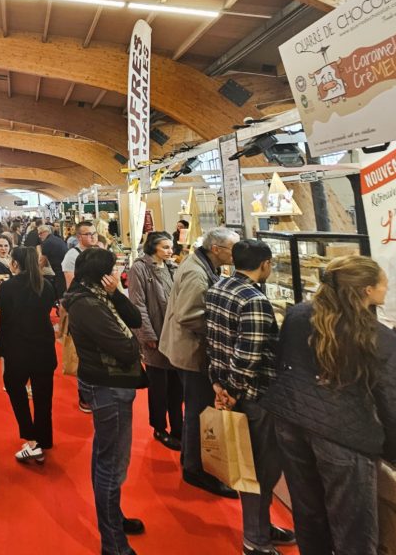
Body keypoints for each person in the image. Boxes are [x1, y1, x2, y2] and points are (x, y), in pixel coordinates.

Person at [262, 256, 396, 555]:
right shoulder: (377, 337)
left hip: (290, 422)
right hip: (343, 436)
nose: (387, 289)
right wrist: (392, 449)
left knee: (308, 512)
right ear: (367, 290)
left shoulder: (298, 315)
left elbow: (283, 362)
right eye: (383, 284)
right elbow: (393, 401)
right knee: (353, 528)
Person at [206, 239, 295, 555]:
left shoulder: (218, 287)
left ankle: (261, 528)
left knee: (250, 465)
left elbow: (214, 341)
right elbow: (247, 357)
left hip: (229, 388)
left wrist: (219, 384)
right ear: (266, 264)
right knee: (260, 469)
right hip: (255, 395)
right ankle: (255, 540)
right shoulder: (254, 300)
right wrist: (232, 391)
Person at [63, 248, 147, 555]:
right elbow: (126, 348)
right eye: (112, 269)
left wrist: (117, 294)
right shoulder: (87, 303)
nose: (116, 273)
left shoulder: (99, 296)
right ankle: (113, 544)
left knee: (107, 457)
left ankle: (114, 519)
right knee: (111, 464)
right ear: (101, 274)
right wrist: (135, 345)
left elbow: (134, 319)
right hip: (108, 385)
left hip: (111, 383)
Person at [159, 226, 240, 498]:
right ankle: (195, 469)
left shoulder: (201, 264)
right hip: (191, 351)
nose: (235, 254)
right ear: (216, 249)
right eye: (232, 249)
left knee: (195, 408)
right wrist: (221, 328)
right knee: (198, 409)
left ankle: (191, 459)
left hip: (187, 348)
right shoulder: (196, 272)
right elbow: (189, 315)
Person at [0, 245, 57, 463]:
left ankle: (31, 438)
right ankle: (43, 439)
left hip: (17, 348)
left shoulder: (9, 287)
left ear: (15, 263)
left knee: (15, 388)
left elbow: (3, 317)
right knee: (43, 397)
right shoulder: (46, 285)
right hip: (43, 347)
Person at [128, 231, 182, 451]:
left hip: (174, 335)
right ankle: (159, 427)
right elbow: (138, 304)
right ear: (153, 247)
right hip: (156, 335)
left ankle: (179, 426)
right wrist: (147, 334)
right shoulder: (139, 268)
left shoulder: (171, 267)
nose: (170, 251)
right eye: (165, 247)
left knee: (176, 386)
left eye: (171, 247)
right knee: (159, 386)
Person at [63, 220, 103, 413]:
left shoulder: (99, 252)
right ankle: (85, 397)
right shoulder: (72, 256)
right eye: (88, 234)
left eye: (94, 233)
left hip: (101, 309)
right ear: (79, 237)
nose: (93, 237)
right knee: (85, 356)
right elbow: (72, 286)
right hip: (82, 310)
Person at [37, 224, 68, 298]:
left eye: (40, 234)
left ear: (45, 232)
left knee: (61, 295)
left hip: (60, 271)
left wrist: (36, 273)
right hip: (66, 268)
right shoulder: (57, 239)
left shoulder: (46, 243)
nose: (39, 236)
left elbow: (42, 262)